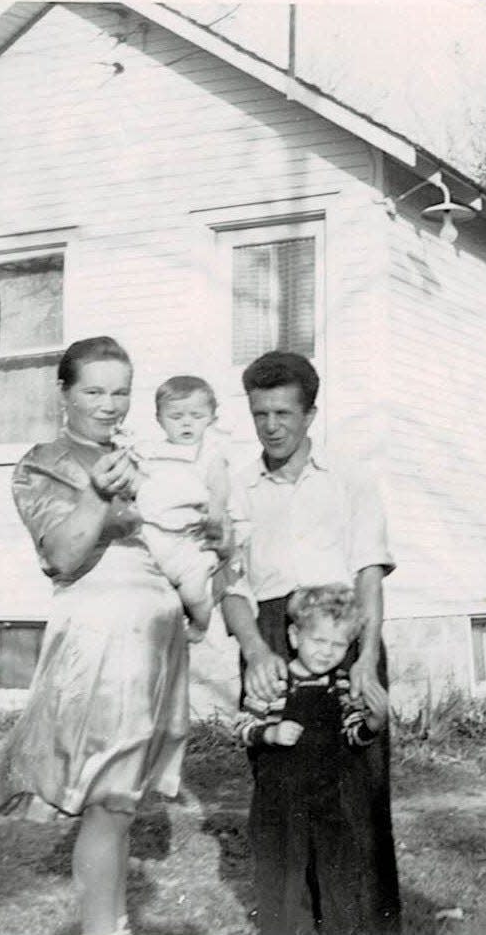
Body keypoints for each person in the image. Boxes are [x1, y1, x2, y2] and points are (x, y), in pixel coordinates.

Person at [0, 336, 193, 935]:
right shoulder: (43, 463)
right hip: (101, 641)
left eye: (120, 391)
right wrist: (100, 497)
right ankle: (104, 929)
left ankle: (113, 921)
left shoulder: (142, 456)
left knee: (121, 802)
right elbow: (63, 555)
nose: (109, 405)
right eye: (94, 391)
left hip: (155, 638)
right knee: (106, 798)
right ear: (64, 393)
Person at [221, 350, 401, 934]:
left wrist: (367, 660)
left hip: (343, 633)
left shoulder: (350, 478)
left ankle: (361, 925)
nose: (271, 426)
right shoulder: (238, 487)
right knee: (281, 793)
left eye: (283, 413)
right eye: (259, 414)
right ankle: (290, 923)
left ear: (311, 414)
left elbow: (369, 574)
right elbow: (229, 583)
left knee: (357, 794)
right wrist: (253, 650)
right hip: (272, 634)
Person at [235, 584, 390, 935]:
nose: (326, 653)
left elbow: (353, 733)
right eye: (318, 641)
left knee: (337, 871)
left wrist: (372, 724)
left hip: (327, 799)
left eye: (338, 645)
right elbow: (243, 725)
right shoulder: (276, 681)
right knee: (282, 875)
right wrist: (269, 734)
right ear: (294, 635)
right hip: (280, 801)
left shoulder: (340, 685)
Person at [113, 375, 242, 641]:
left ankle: (199, 624)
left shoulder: (209, 454)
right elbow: (135, 481)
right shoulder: (151, 452)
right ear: (159, 419)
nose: (186, 422)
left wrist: (216, 513)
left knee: (194, 592)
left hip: (188, 540)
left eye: (196, 416)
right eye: (176, 416)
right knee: (140, 587)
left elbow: (219, 486)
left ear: (211, 418)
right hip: (152, 534)